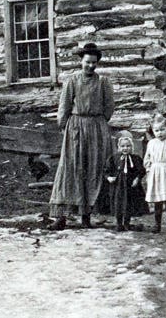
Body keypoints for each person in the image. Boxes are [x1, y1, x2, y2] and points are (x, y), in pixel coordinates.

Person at [48, 42, 115, 230]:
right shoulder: (72, 80)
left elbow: (109, 107)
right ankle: (61, 217)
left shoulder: (103, 82)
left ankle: (86, 217)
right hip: (76, 127)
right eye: (87, 62)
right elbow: (64, 107)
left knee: (93, 169)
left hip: (96, 128)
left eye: (94, 63)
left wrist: (98, 123)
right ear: (81, 61)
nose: (90, 66)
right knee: (71, 169)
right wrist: (63, 125)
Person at [104, 133, 150, 231]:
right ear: (119, 147)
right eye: (123, 146)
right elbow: (106, 170)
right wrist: (109, 177)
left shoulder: (136, 158)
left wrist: (137, 179)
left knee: (129, 204)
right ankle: (119, 223)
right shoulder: (114, 158)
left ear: (131, 147)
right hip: (118, 186)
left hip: (131, 186)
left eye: (128, 146)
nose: (125, 148)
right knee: (118, 204)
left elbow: (141, 171)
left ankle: (127, 223)